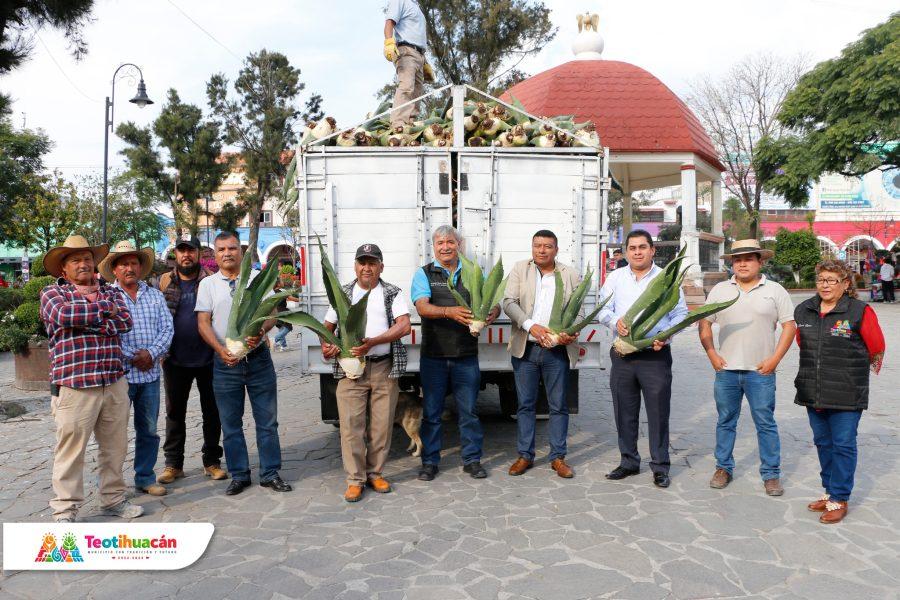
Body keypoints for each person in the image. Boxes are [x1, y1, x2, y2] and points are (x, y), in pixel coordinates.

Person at [39, 235, 143, 522]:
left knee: (115, 447)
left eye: (87, 258)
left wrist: (88, 319)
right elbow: (64, 315)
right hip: (75, 386)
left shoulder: (110, 291)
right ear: (64, 270)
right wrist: (102, 314)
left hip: (113, 381)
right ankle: (65, 510)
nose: (83, 264)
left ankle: (113, 500)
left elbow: (124, 321)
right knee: (71, 451)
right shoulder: (52, 294)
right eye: (75, 260)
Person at [196, 232, 292, 496]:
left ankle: (270, 473)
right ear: (215, 255)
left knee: (267, 422)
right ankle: (239, 475)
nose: (227, 253)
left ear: (241, 251)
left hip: (258, 359)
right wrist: (220, 349)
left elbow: (272, 315)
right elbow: (203, 322)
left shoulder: (256, 279)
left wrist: (262, 331)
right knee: (230, 424)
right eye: (222, 249)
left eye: (232, 248)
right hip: (225, 363)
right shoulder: (208, 285)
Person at [698, 239, 796, 496]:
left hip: (760, 372)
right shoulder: (719, 290)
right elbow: (705, 323)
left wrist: (775, 360)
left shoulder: (775, 291)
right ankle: (723, 467)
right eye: (737, 259)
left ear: (760, 262)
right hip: (726, 371)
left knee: (765, 422)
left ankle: (771, 474)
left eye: (749, 258)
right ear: (732, 263)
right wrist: (711, 353)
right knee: (726, 421)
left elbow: (789, 326)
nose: (742, 264)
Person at [795, 260, 884, 524]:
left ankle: (840, 498)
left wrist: (850, 373)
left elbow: (876, 346)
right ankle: (829, 491)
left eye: (832, 280)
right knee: (823, 443)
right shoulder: (804, 310)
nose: (825, 284)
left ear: (846, 284)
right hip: (814, 390)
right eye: (821, 279)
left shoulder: (859, 311)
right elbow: (804, 344)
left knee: (843, 445)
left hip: (847, 392)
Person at [321, 244, 411, 502]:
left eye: (372, 263)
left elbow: (403, 326)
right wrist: (328, 344)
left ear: (381, 267)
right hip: (351, 370)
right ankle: (355, 479)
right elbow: (328, 326)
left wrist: (373, 341)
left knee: (382, 425)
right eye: (362, 262)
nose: (367, 267)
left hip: (383, 365)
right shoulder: (343, 294)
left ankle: (375, 473)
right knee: (351, 426)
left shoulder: (392, 292)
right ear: (355, 266)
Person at [599, 230, 688, 488]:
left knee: (658, 412)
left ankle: (660, 466)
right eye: (632, 248)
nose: (637, 252)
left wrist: (666, 335)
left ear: (652, 250)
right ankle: (628, 461)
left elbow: (680, 314)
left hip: (655, 355)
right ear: (626, 252)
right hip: (622, 353)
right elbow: (602, 308)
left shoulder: (665, 279)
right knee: (624, 410)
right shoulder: (615, 278)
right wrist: (615, 321)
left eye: (642, 247)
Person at [411, 225, 499, 481]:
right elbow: (422, 307)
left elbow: (489, 301)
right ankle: (430, 462)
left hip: (466, 356)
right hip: (434, 356)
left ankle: (472, 460)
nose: (445, 247)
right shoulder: (424, 274)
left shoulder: (473, 272)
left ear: (459, 244)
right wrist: (448, 311)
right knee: (432, 412)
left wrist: (492, 313)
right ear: (434, 247)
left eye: (450, 242)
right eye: (440, 243)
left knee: (469, 411)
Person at [98, 241, 174, 497]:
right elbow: (109, 335)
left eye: (133, 263)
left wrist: (151, 354)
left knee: (149, 431)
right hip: (121, 377)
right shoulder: (107, 296)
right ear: (115, 270)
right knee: (115, 433)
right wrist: (134, 356)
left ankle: (145, 477)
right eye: (123, 264)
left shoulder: (154, 294)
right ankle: (114, 486)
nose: (129, 268)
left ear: (140, 267)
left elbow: (167, 329)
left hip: (151, 375)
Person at [502, 230, 580, 479]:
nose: (542, 250)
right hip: (527, 347)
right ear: (532, 247)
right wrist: (529, 324)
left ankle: (558, 457)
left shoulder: (569, 274)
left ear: (556, 250)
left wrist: (569, 332)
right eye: (537, 246)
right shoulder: (519, 269)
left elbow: (578, 309)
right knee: (525, 405)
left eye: (548, 246)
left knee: (558, 405)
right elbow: (508, 302)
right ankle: (525, 455)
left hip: (556, 351)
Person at [156, 235, 227, 484]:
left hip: (208, 357)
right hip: (175, 359)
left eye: (191, 250)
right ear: (176, 254)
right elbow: (157, 317)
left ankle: (212, 461)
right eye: (181, 250)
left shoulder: (210, 281)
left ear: (199, 254)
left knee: (212, 411)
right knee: (174, 413)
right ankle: (173, 464)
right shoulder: (164, 281)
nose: (186, 255)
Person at [384, 0, 435, 126]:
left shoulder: (416, 6)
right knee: (407, 86)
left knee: (417, 92)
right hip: (406, 51)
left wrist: (425, 62)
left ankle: (410, 123)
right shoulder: (400, 1)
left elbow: (417, 35)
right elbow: (389, 23)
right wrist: (389, 42)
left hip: (419, 55)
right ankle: (398, 123)